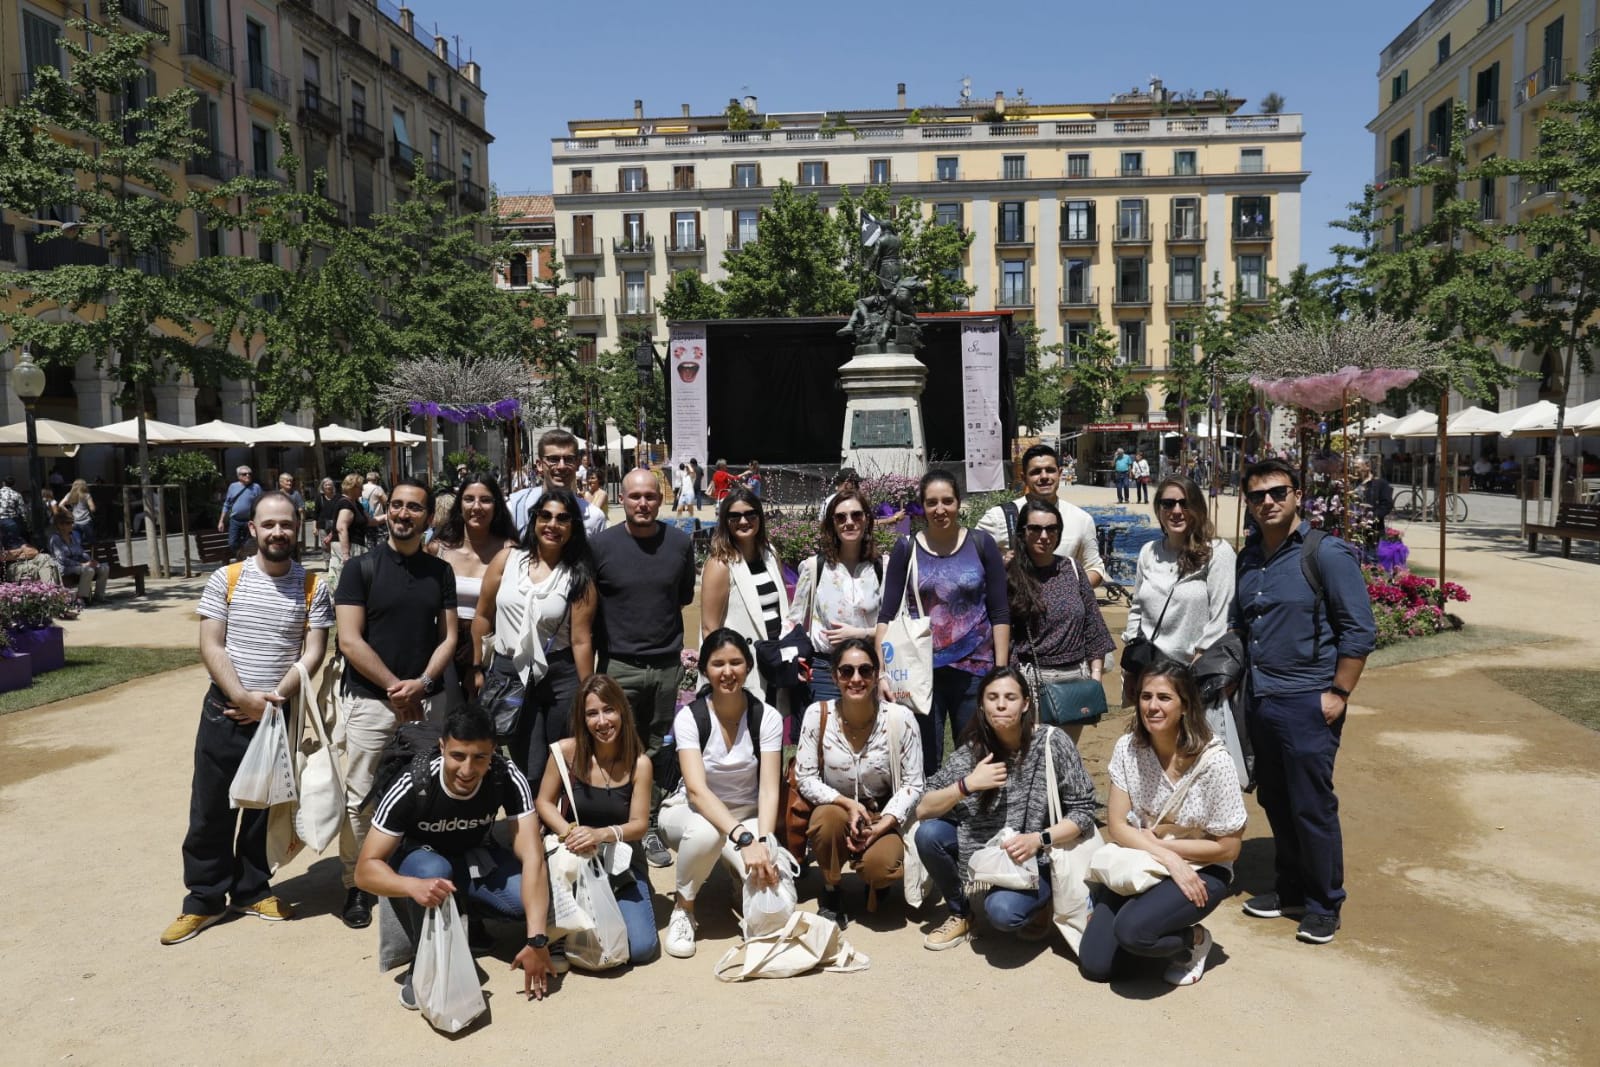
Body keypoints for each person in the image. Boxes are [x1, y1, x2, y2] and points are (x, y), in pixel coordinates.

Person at [161, 491, 333, 945]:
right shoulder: (227, 578)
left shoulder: (313, 585)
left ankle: (252, 889)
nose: (279, 532)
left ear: (299, 529)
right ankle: (202, 900)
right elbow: (211, 644)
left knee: (265, 807)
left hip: (279, 711)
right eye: (269, 524)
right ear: (253, 528)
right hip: (225, 709)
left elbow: (314, 650)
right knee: (211, 807)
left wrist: (274, 698)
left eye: (287, 525)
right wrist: (241, 695)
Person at [1232, 458, 1376, 945]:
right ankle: (1290, 887)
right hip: (1261, 697)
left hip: (1307, 699)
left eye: (1277, 492)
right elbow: (1242, 625)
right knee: (1274, 796)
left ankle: (1323, 902)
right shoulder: (1249, 558)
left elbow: (1359, 631)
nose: (1267, 502)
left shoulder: (1327, 554)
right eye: (1257, 496)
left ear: (1297, 496)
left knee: (1311, 803)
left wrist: (1338, 693)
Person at [359, 705, 554, 1007]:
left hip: (471, 858)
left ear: (493, 753)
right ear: (442, 748)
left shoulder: (505, 775)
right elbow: (365, 870)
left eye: (480, 758)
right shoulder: (414, 782)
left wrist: (537, 939)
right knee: (432, 869)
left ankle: (470, 925)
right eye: (457, 756)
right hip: (421, 864)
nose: (467, 770)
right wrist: (412, 887)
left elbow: (533, 857)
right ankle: (424, 962)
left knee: (520, 902)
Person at [334, 477, 459, 930]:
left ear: (429, 518)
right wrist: (395, 687)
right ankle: (358, 884)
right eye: (397, 506)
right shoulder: (360, 569)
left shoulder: (439, 572)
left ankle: (414, 871)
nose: (403, 514)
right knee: (361, 797)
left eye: (414, 508)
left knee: (427, 792)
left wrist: (422, 683)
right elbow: (349, 640)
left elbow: (450, 636)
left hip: (426, 701)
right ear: (387, 512)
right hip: (371, 701)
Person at [1078, 660, 1247, 986]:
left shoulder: (1215, 762)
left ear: (1185, 705)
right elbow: (1116, 825)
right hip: (1144, 859)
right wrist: (1166, 855)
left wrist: (1170, 851)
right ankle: (1145, 932)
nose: (1152, 706)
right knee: (1096, 965)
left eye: (1164, 698)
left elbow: (1229, 848)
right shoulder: (1129, 748)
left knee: (1132, 932)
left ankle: (1194, 940)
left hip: (1202, 867)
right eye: (1145, 696)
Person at [913, 667, 1096, 950]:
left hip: (1041, 857)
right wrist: (967, 785)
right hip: (992, 853)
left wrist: (1038, 839)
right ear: (982, 705)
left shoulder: (1051, 742)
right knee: (929, 834)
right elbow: (923, 808)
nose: (1000, 704)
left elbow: (1083, 810)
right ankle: (961, 913)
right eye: (992, 697)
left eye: (1010, 697)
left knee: (1002, 912)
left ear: (1025, 704)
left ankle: (1042, 904)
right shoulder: (973, 752)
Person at [591, 468, 696, 865]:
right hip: (618, 665)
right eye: (634, 496)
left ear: (661, 498)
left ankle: (647, 825)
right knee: (610, 747)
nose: (642, 504)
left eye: (650, 496)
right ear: (624, 499)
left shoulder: (680, 544)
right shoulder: (601, 546)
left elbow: (682, 596)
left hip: (666, 665)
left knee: (653, 750)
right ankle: (611, 824)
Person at [657, 629, 783, 959]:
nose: (728, 672)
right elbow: (697, 792)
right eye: (718, 664)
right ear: (705, 670)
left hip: (748, 816)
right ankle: (684, 908)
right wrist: (744, 839)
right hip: (692, 814)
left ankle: (736, 877)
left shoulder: (766, 716)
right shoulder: (691, 717)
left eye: (736, 663)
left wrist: (766, 842)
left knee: (775, 911)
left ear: (748, 667)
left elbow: (769, 788)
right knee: (706, 834)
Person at [877, 469, 1011, 771]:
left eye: (947, 501)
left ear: (958, 503)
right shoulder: (906, 549)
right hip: (921, 671)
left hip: (976, 668)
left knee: (976, 755)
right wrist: (882, 673)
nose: (940, 510)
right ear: (921, 507)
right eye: (932, 502)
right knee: (924, 758)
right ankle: (931, 816)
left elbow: (1000, 611)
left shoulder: (982, 544)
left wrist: (1000, 670)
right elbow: (885, 616)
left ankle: (975, 817)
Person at [794, 638, 923, 928]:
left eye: (865, 671)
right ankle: (831, 889)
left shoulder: (900, 718)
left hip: (882, 810)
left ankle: (874, 881)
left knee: (882, 867)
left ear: (877, 676)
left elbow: (915, 783)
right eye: (847, 671)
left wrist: (885, 823)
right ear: (835, 676)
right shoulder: (818, 715)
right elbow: (805, 777)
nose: (856, 679)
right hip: (835, 808)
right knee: (827, 819)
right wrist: (845, 803)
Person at [534, 674, 661, 968]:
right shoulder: (565, 752)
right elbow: (543, 802)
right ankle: (572, 921)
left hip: (621, 862)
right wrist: (571, 833)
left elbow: (640, 824)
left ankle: (610, 905)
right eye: (592, 713)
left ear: (622, 711)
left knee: (641, 949)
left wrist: (601, 834)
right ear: (582, 718)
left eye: (609, 710)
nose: (602, 721)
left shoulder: (640, 763)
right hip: (573, 858)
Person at [474, 488, 597, 783]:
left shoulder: (578, 576)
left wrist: (587, 689)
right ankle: (530, 823)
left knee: (559, 757)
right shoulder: (507, 559)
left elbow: (581, 640)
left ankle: (551, 823)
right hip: (510, 670)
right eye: (545, 516)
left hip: (559, 675)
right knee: (524, 758)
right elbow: (482, 615)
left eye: (562, 519)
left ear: (573, 527)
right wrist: (477, 667)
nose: (552, 525)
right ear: (535, 520)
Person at [1124, 476, 1241, 770]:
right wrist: (1131, 661)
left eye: (1184, 503)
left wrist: (1200, 663)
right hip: (1152, 675)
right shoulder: (1149, 552)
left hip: (1193, 677)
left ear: (1197, 508)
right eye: (1168, 503)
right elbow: (1137, 607)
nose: (1176, 510)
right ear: (1159, 509)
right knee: (1153, 757)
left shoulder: (1217, 552)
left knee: (1198, 760)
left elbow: (1222, 613)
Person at [1007, 496, 1115, 744]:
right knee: (1033, 760)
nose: (1044, 536)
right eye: (1035, 528)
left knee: (1065, 755)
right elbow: (1006, 636)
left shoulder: (1073, 570)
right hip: (1032, 682)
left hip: (1075, 681)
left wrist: (1095, 680)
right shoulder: (1010, 576)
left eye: (1051, 529)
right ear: (1023, 532)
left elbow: (1093, 627)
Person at [428, 477, 516, 712]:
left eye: (485, 500)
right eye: (469, 499)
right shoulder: (438, 548)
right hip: (445, 642)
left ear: (497, 505)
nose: (476, 507)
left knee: (486, 718)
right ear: (460, 505)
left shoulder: (511, 550)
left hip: (490, 646)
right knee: (447, 717)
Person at [787, 488, 883, 704]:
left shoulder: (881, 568)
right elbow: (793, 621)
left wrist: (860, 633)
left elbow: (897, 626)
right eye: (841, 517)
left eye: (856, 515)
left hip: (869, 670)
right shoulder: (814, 568)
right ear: (832, 524)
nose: (849, 522)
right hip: (824, 671)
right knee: (826, 733)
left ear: (867, 520)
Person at [699, 486, 790, 703]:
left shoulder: (769, 554)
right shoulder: (719, 564)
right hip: (740, 669)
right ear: (725, 521)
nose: (743, 521)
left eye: (750, 514)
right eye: (734, 516)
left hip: (774, 660)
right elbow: (710, 628)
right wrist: (726, 670)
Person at [976, 443, 1106, 584]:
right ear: (1024, 477)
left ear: (1060, 473)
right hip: (1015, 604)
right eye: (1036, 472)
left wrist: (1066, 591)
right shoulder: (999, 516)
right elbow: (970, 561)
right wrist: (1001, 564)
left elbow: (1094, 568)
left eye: (1050, 470)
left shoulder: (1081, 519)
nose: (1044, 476)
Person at [507, 430, 608, 539]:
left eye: (569, 459)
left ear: (577, 464)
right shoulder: (515, 508)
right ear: (540, 465)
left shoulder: (594, 517)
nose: (561, 466)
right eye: (553, 459)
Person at [48, 512, 108, 604]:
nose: (71, 525)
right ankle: (82, 598)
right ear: (60, 525)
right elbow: (62, 560)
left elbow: (81, 552)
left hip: (79, 565)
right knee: (89, 570)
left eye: (72, 522)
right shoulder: (55, 539)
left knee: (104, 568)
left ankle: (99, 597)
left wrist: (90, 560)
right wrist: (82, 564)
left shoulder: (73, 536)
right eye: (68, 523)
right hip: (64, 568)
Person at [327, 473, 369, 588]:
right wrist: (346, 554)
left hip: (355, 546)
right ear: (353, 487)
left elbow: (370, 521)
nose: (362, 489)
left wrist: (387, 516)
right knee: (344, 581)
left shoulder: (356, 504)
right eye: (360, 487)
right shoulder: (346, 503)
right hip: (349, 547)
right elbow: (341, 527)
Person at [1352, 459, 1393, 557]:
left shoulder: (1380, 484)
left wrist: (1372, 518)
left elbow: (1387, 505)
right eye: (1354, 467)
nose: (1355, 470)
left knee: (1371, 560)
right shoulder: (1352, 483)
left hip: (1373, 530)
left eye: (1357, 467)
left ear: (1367, 467)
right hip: (1353, 529)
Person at [218, 466, 262, 552]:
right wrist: (221, 521)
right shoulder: (233, 486)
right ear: (239, 476)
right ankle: (239, 557)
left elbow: (261, 503)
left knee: (249, 544)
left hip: (249, 521)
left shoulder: (256, 487)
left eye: (249, 474)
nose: (248, 475)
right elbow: (227, 504)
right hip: (235, 520)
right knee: (232, 543)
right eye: (244, 474)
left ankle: (245, 560)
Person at [61, 478, 96, 545]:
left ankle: (79, 554)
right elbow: (93, 508)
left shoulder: (70, 495)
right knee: (92, 542)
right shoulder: (86, 495)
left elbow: (61, 504)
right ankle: (92, 554)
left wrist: (69, 512)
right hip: (86, 522)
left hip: (75, 522)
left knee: (77, 542)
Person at [0, 476, 27, 545]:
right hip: (11, 521)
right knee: (13, 543)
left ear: (3, 483)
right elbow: (22, 510)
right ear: (13, 484)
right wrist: (25, 521)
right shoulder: (17, 494)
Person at [314, 477, 339, 547]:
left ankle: (334, 558)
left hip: (336, 525)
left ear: (333, 486)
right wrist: (314, 527)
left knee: (336, 545)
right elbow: (316, 514)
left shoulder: (338, 497)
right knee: (325, 545)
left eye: (330, 485)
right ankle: (327, 558)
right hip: (323, 525)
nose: (328, 486)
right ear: (322, 487)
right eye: (326, 485)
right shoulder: (319, 498)